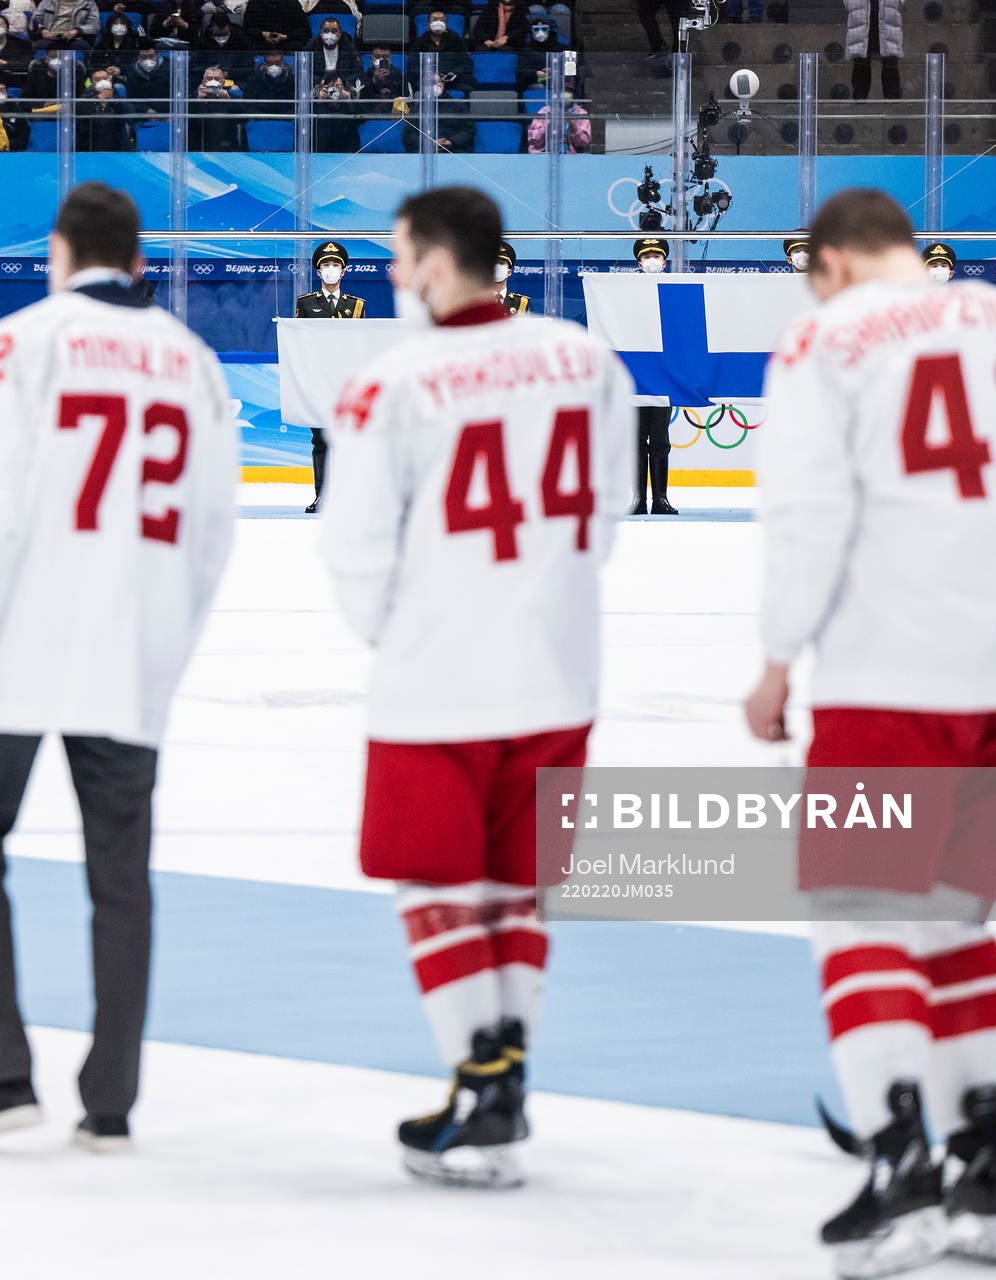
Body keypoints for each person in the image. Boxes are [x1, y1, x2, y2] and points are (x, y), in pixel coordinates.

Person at [744, 188, 996, 1278]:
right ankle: (983, 1172)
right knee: (956, 920)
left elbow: (806, 512)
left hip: (891, 672)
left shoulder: (825, 338)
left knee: (861, 916)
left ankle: (901, 1169)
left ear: (831, 261)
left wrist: (781, 654)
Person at [320, 185, 632, 1190]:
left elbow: (357, 544)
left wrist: (395, 632)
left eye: (399, 255)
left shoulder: (396, 379)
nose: (393, 273)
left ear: (438, 262)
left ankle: (480, 1076)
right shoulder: (586, 359)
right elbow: (611, 504)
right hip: (557, 666)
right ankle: (503, 1075)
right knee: (517, 884)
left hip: (441, 667)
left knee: (436, 879)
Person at [0, 182, 236, 1152]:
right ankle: (111, 1098)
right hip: (130, 642)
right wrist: (165, 651)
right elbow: (213, 533)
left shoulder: (23, 338)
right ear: (138, 259)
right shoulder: (194, 359)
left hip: (21, 637)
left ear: (61, 251)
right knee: (120, 871)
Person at [293, 240, 365, 514]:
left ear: (344, 271)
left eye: (336, 265)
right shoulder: (306, 303)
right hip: (319, 384)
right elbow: (300, 342)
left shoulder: (357, 305)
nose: (331, 269)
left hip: (348, 385)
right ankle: (321, 496)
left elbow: (361, 344)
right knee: (321, 441)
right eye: (326, 265)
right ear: (318, 271)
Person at [630, 235, 677, 515]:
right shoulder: (626, 294)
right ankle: (639, 499)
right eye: (647, 258)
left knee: (660, 439)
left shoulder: (673, 290)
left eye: (657, 257)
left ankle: (660, 498)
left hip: (663, 376)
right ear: (639, 262)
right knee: (636, 439)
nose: (652, 262)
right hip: (635, 376)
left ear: (665, 261)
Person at [847, 0, 904, 101]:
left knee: (890, 58)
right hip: (861, 13)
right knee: (861, 57)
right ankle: (859, 97)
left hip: (887, 13)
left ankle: (892, 97)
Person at [495, 241, 531, 315]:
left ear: (509, 272)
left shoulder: (521, 303)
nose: (496, 267)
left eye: (501, 263)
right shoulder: (475, 302)